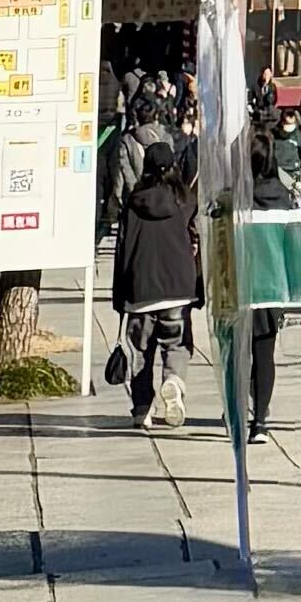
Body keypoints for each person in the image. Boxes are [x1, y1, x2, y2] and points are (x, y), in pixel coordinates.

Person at [110, 139, 205, 427]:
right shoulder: (185, 200)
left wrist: (119, 297)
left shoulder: (133, 203)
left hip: (141, 289)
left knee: (140, 351)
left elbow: (122, 250)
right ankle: (174, 381)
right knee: (176, 345)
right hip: (178, 288)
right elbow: (197, 238)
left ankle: (142, 408)